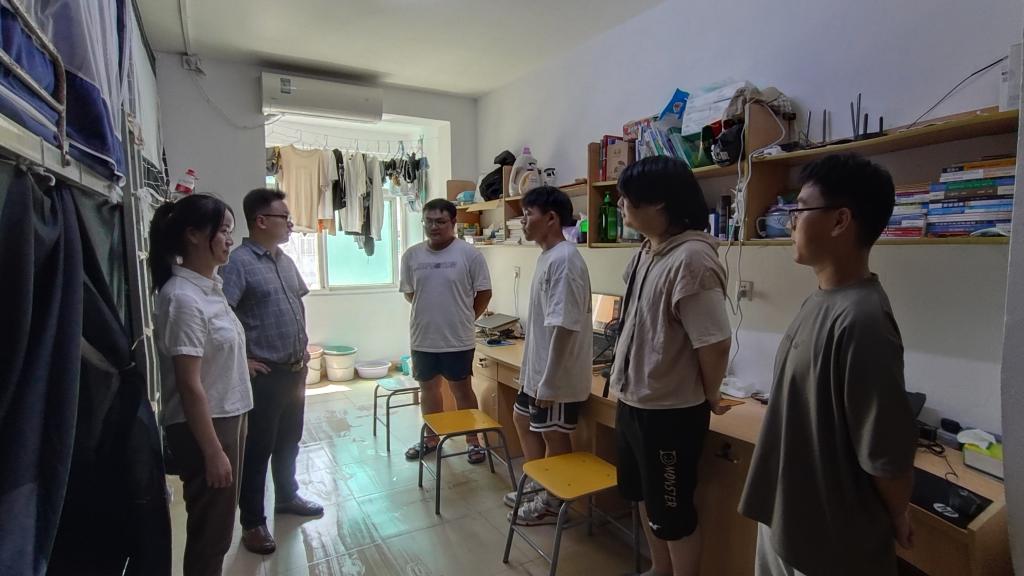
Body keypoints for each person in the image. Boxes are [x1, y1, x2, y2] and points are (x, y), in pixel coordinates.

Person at [738, 153, 918, 576]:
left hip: (828, 540)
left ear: (840, 221)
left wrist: (898, 513)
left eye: (800, 209)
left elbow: (884, 455)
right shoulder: (820, 300)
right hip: (787, 517)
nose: (791, 223)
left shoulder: (864, 320)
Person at [609, 156, 733, 576]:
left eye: (628, 197)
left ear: (660, 202)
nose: (620, 204)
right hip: (634, 400)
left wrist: (711, 393)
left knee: (673, 515)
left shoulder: (693, 259)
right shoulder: (648, 251)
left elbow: (714, 342)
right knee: (646, 499)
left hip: (669, 413)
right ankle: (659, 570)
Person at [150, 194, 252, 576]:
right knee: (211, 535)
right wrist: (212, 451)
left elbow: (216, 351)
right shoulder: (183, 298)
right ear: (193, 235)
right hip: (207, 426)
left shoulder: (209, 288)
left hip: (229, 413)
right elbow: (189, 384)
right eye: (223, 230)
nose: (229, 239)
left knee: (219, 526)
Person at [219, 188, 323, 555]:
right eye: (285, 218)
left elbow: (294, 304)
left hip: (295, 370)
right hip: (265, 375)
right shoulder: (238, 263)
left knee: (289, 440)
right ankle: (252, 523)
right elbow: (221, 316)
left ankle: (287, 496)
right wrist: (242, 360)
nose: (291, 224)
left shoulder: (285, 261)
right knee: (258, 449)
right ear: (261, 221)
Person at [503, 186, 592, 525]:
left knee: (553, 435)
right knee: (521, 419)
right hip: (537, 369)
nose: (523, 221)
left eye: (528, 214)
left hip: (555, 375)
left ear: (551, 218)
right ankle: (540, 483)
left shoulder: (565, 260)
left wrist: (550, 381)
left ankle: (554, 502)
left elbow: (564, 326)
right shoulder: (548, 256)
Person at [400, 198, 493, 463]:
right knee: (428, 390)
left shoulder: (469, 254)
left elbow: (484, 293)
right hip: (423, 337)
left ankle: (473, 441)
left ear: (453, 222)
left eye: (440, 221)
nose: (434, 227)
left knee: (462, 390)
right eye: (428, 221)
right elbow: (410, 294)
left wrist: (465, 317)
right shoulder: (412, 256)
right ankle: (431, 438)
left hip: (458, 339)